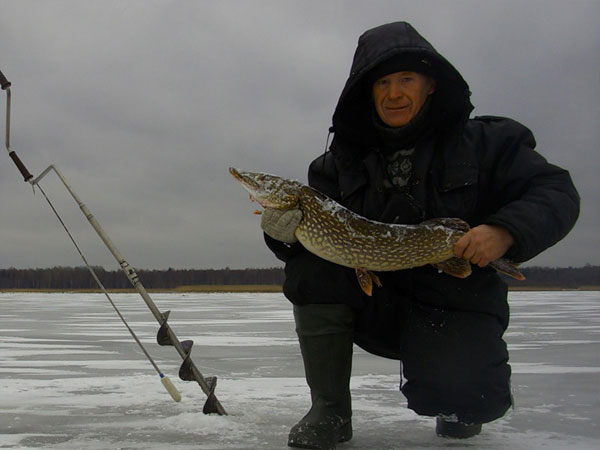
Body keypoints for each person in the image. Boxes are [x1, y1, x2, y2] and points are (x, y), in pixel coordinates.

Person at [261, 21, 580, 449]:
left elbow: (556, 192)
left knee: (466, 399)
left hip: (450, 303)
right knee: (310, 272)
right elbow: (313, 244)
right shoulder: (337, 164)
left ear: (430, 84)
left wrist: (504, 232)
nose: (394, 94)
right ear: (368, 92)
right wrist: (284, 235)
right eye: (383, 83)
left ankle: (456, 402)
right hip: (373, 303)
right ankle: (330, 410)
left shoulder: (488, 142)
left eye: (406, 80)